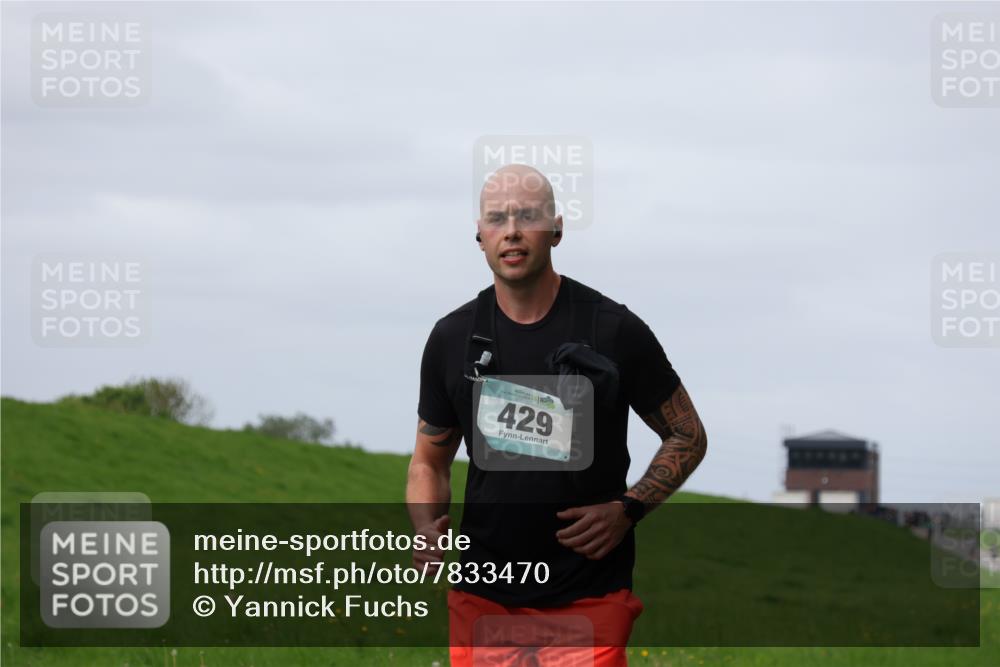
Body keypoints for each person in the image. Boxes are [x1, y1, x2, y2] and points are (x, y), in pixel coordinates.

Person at [407, 164, 708, 666]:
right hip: (484, 595)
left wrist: (629, 509)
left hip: (589, 592)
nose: (512, 231)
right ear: (479, 235)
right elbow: (428, 462)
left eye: (527, 216)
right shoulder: (452, 338)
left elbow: (688, 434)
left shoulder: (613, 329)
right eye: (497, 218)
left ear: (557, 229)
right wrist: (425, 526)